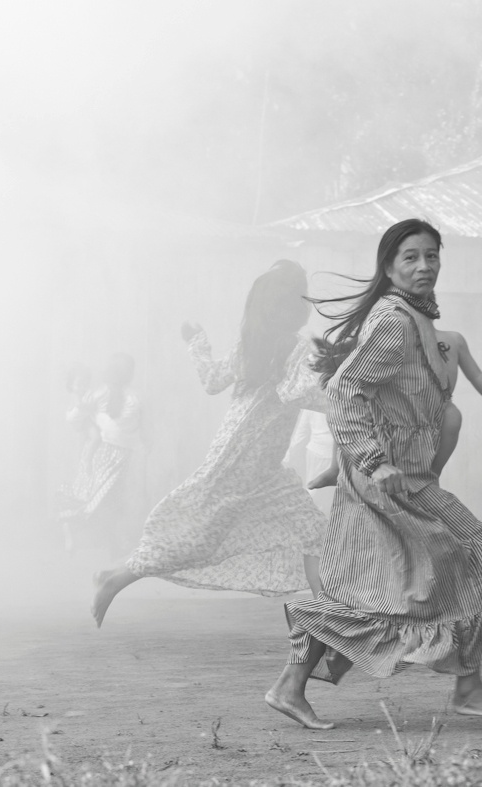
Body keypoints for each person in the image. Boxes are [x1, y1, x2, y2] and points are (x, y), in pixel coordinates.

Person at [265, 219, 482, 730]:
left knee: (381, 588)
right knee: (466, 554)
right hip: (386, 479)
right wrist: (371, 460)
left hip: (403, 476)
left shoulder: (415, 318)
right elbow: (344, 390)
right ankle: (467, 687)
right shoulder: (394, 319)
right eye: (410, 257)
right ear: (388, 267)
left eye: (431, 255)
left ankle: (289, 687)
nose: (424, 265)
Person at [90, 260, 327, 627]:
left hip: (262, 465)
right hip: (237, 459)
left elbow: (214, 380)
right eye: (301, 298)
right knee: (198, 537)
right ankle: (118, 578)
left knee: (314, 532)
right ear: (291, 305)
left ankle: (332, 619)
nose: (306, 305)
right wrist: (335, 377)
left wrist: (197, 344)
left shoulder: (265, 345)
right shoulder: (285, 348)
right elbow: (296, 392)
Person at [306, 328, 482, 489]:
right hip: (397, 407)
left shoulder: (453, 339)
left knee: (453, 416)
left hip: (439, 407)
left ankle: (432, 475)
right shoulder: (390, 337)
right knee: (347, 406)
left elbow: (476, 375)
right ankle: (334, 468)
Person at [57, 354, 143, 556]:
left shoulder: (122, 397)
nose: (82, 386)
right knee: (96, 497)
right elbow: (78, 419)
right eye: (78, 383)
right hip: (100, 453)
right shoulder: (94, 397)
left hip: (111, 453)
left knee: (103, 498)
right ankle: (102, 539)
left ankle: (111, 542)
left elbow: (125, 428)